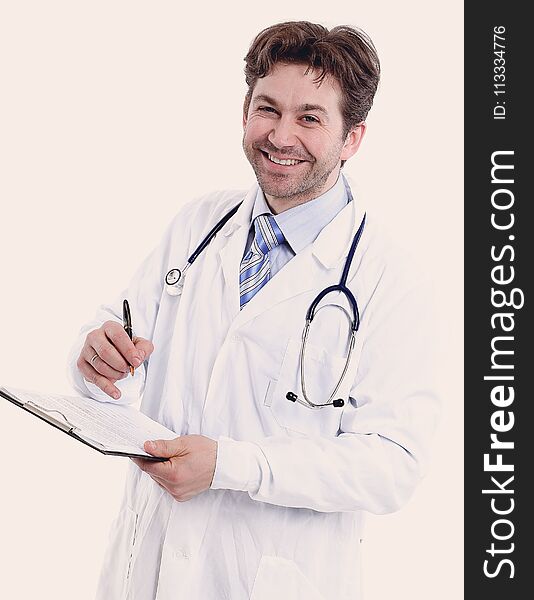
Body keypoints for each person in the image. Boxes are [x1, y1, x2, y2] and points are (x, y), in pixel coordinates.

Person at [68, 21, 439, 600]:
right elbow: (117, 345)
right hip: (147, 572)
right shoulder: (198, 225)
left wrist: (232, 466)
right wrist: (98, 357)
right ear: (245, 111)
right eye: (267, 109)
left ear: (354, 137)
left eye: (310, 118)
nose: (281, 135)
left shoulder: (388, 279)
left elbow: (393, 465)